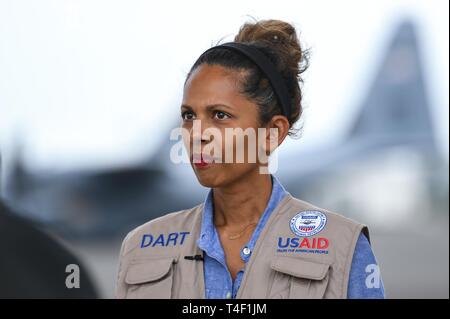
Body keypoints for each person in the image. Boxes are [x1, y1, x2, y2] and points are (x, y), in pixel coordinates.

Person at [115, 19, 385, 299]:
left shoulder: (343, 247)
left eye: (220, 115)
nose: (197, 134)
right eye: (188, 116)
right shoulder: (141, 248)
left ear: (272, 132)